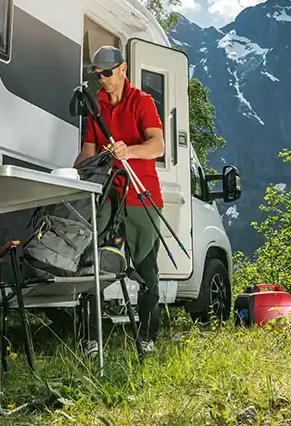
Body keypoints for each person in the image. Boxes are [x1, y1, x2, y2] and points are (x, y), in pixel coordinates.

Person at [74, 45, 165, 355]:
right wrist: (73, 173)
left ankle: (147, 336)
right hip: (108, 193)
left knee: (146, 269)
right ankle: (92, 340)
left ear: (123, 69)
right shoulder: (96, 105)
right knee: (93, 262)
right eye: (98, 74)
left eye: (108, 73)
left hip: (142, 194)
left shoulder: (142, 102)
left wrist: (131, 150)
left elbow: (157, 145)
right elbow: (89, 150)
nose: (103, 80)